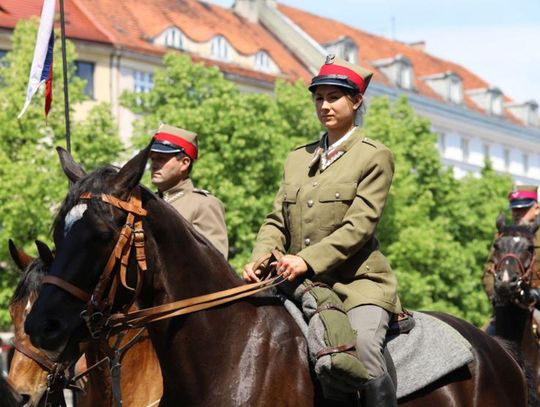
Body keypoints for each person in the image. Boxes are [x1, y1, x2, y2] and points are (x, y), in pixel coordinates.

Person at [243, 55, 401, 407]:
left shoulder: (374, 156)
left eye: (334, 97)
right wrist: (260, 258)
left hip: (355, 284)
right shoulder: (297, 158)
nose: (325, 105)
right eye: (319, 97)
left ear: (356, 101)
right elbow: (275, 221)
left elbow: (359, 226)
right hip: (294, 282)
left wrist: (306, 260)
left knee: (362, 349)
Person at [149, 123, 229, 258]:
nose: (154, 165)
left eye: (162, 159)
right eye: (152, 159)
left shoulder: (204, 204)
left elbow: (214, 262)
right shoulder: (145, 203)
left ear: (184, 163)